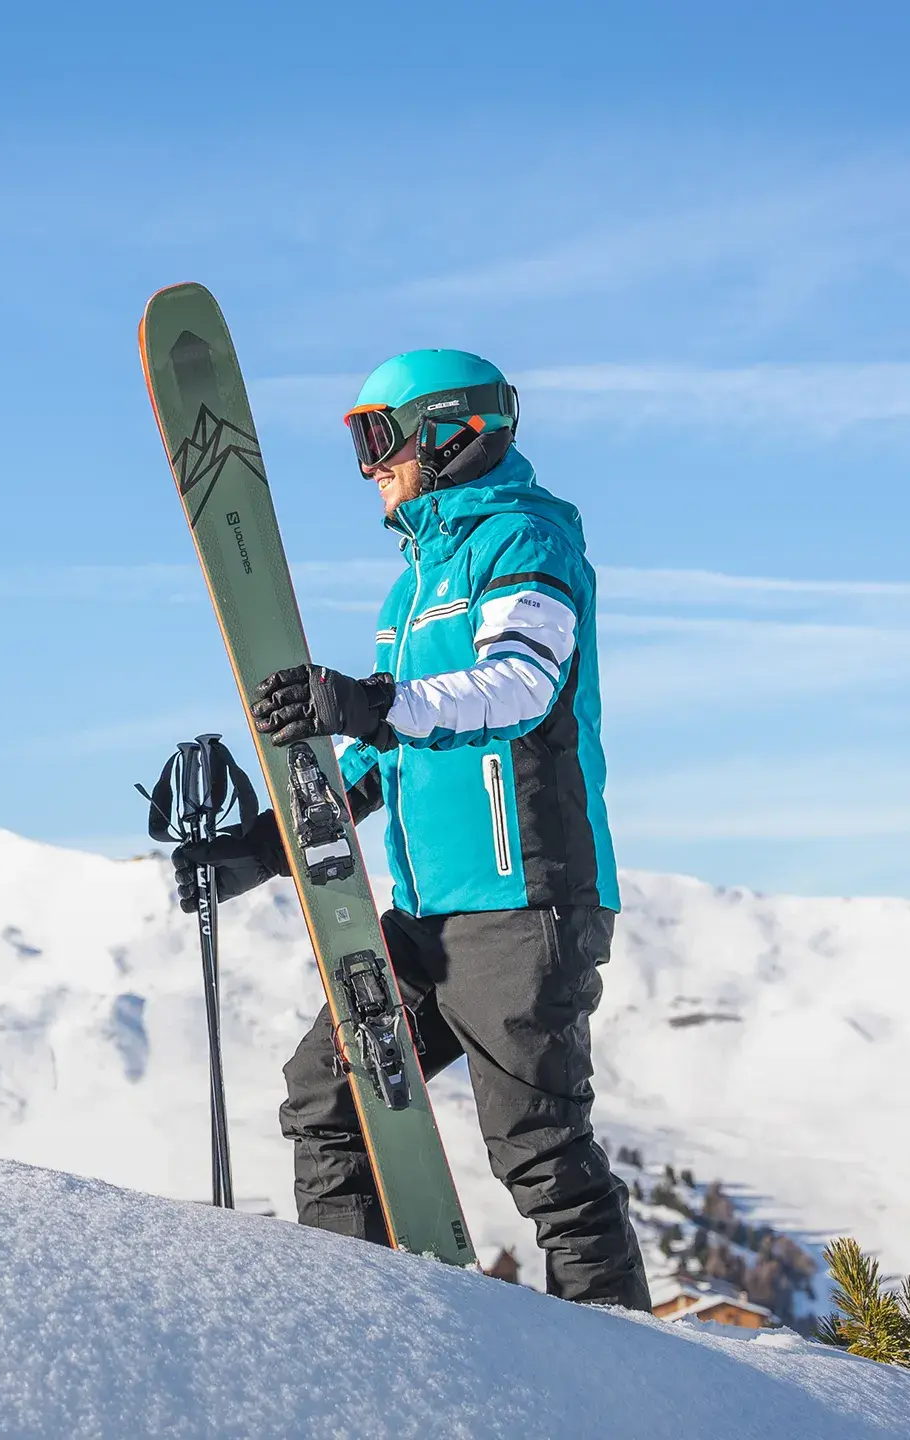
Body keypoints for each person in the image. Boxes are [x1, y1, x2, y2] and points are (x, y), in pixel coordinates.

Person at [172, 348, 651, 1307]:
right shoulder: (414, 586)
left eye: (378, 437)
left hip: (524, 904)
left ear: (447, 431)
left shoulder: (525, 541)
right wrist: (261, 849)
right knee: (328, 1103)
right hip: (425, 915)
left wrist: (368, 702)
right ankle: (371, 1333)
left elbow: (519, 684)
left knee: (540, 1153)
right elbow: (389, 756)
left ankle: (632, 1364)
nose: (369, 467)